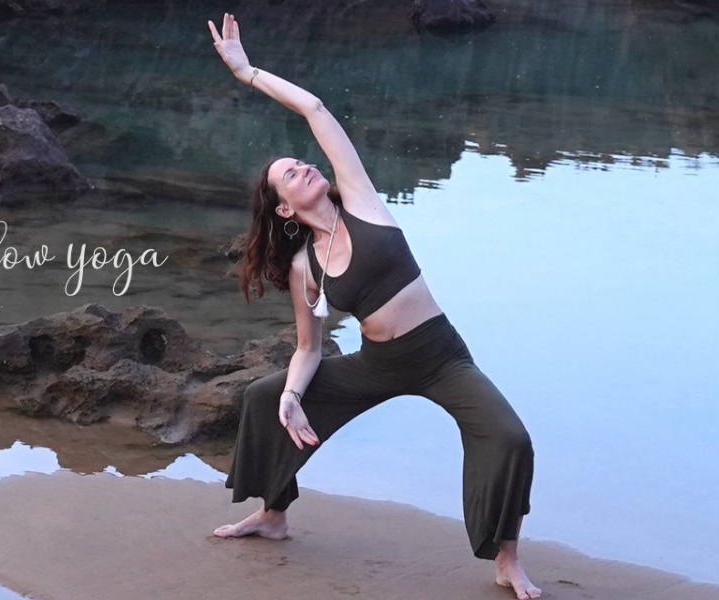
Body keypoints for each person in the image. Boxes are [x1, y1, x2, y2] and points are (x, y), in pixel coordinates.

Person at [206, 13, 541, 599]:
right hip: (377, 364)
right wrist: (292, 394)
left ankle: (506, 560)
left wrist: (248, 72)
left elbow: (314, 110)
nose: (305, 166)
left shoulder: (360, 201)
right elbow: (309, 348)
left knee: (508, 437)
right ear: (283, 208)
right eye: (291, 174)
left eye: (301, 162)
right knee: (265, 397)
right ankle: (273, 516)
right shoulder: (303, 267)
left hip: (440, 356)